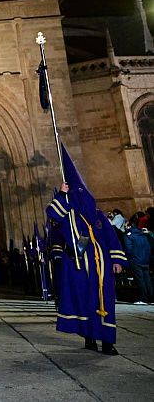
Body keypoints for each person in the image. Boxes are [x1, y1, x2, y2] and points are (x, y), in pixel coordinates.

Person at [47, 144, 128, 355]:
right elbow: (53, 215)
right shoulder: (69, 213)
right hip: (79, 264)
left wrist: (117, 260)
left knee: (104, 301)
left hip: (101, 265)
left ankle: (108, 342)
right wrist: (62, 195)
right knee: (84, 300)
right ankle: (89, 338)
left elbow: (111, 239)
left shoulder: (99, 216)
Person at [123, 216, 152, 304]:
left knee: (140, 280)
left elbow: (128, 249)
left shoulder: (129, 235)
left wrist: (131, 258)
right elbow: (148, 248)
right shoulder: (144, 235)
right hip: (145, 260)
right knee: (147, 280)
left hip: (135, 260)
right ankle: (151, 298)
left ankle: (143, 299)